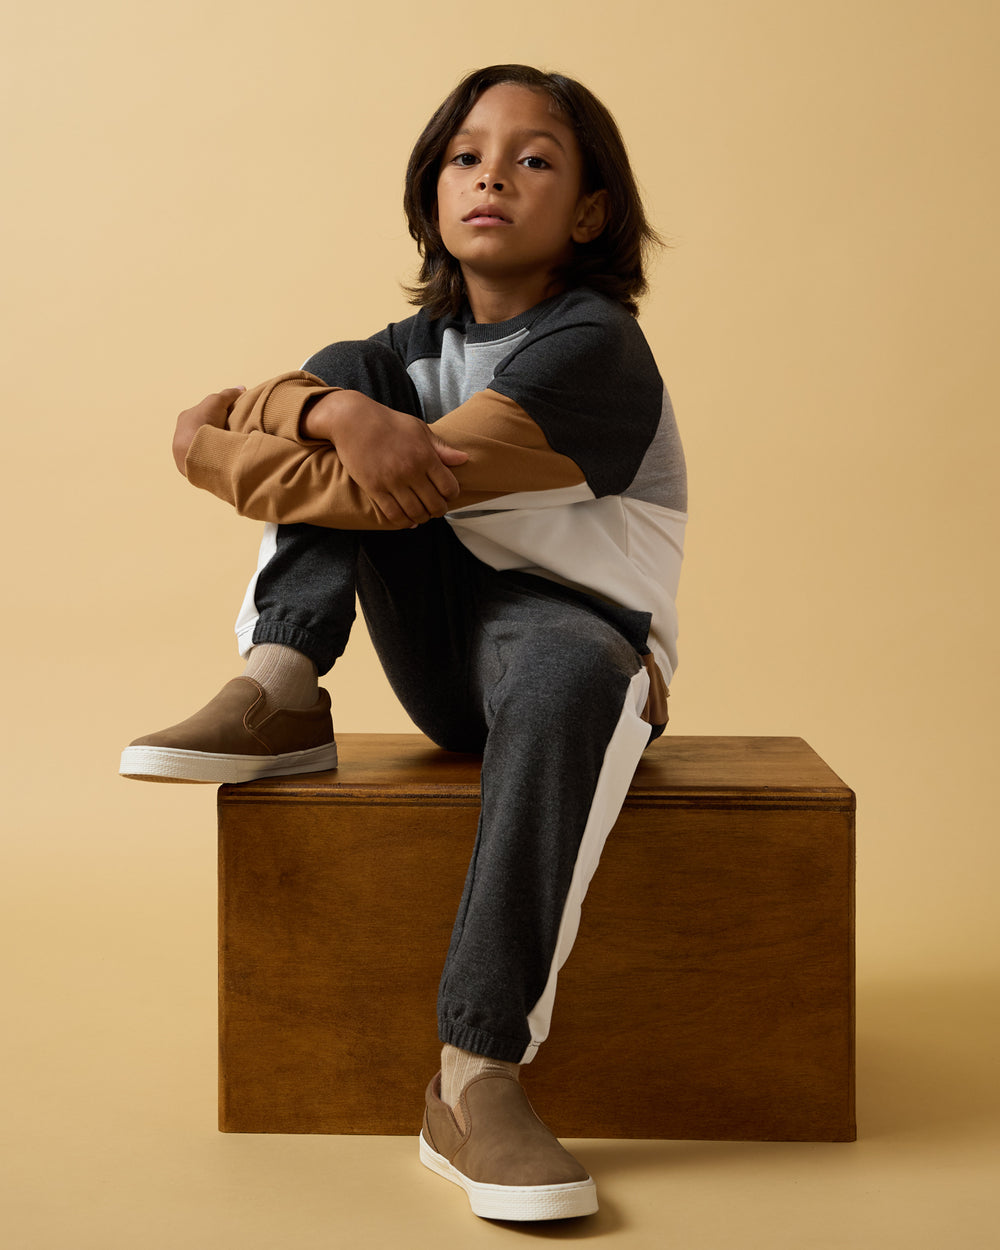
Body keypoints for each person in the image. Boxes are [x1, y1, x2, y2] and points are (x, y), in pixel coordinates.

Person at [120, 64, 687, 1222]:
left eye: (533, 158)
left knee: (556, 652)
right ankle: (281, 683)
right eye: (465, 156)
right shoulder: (403, 352)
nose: (492, 175)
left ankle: (474, 1078)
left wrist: (206, 442)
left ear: (588, 210)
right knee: (348, 368)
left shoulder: (595, 349)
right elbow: (340, 442)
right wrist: (334, 407)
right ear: (433, 190)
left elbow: (377, 489)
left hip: (576, 647)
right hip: (445, 647)